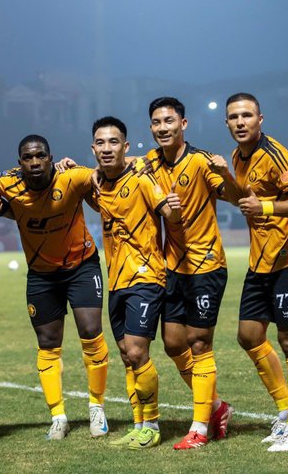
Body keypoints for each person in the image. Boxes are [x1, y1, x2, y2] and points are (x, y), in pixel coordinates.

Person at [0, 135, 110, 440]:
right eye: (28, 157)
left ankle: (97, 407)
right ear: (20, 163)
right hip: (42, 275)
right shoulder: (7, 182)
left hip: (82, 266)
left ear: (50, 157)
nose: (34, 162)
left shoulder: (71, 177)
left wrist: (90, 171)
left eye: (40, 156)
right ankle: (58, 417)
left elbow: (105, 172)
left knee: (91, 331)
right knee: (47, 342)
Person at [212, 93, 288, 451]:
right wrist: (224, 177)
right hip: (261, 261)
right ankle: (287, 411)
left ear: (260, 119)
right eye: (233, 117)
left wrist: (265, 207)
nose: (240, 122)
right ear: (226, 123)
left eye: (247, 115)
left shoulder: (275, 154)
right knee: (249, 335)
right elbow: (240, 197)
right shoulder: (237, 157)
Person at [144, 97, 235, 449]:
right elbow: (122, 165)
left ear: (183, 124)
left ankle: (199, 428)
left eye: (169, 121)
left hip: (206, 265)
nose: (162, 127)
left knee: (199, 343)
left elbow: (236, 196)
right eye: (156, 122)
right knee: (172, 344)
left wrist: (225, 173)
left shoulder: (201, 161)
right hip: (173, 267)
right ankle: (217, 406)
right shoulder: (150, 162)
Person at [91, 116, 181, 449]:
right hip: (116, 281)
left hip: (146, 276)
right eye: (101, 143)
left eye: (114, 142)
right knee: (126, 356)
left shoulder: (142, 178)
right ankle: (138, 423)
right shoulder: (96, 184)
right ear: (93, 148)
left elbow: (169, 214)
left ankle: (152, 426)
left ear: (125, 146)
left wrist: (173, 208)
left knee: (137, 350)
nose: (107, 148)